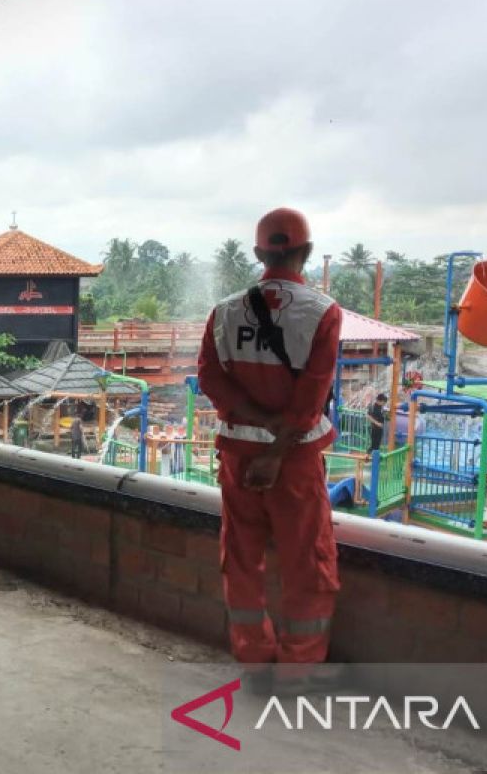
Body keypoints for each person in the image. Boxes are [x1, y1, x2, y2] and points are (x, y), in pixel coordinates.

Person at [196, 207, 342, 690]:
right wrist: (277, 449)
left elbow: (210, 380)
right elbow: (313, 393)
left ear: (259, 253)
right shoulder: (322, 312)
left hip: (238, 456)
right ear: (307, 252)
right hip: (294, 462)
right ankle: (298, 669)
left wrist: (255, 423)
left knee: (241, 558)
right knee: (308, 561)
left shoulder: (225, 310)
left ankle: (255, 661)